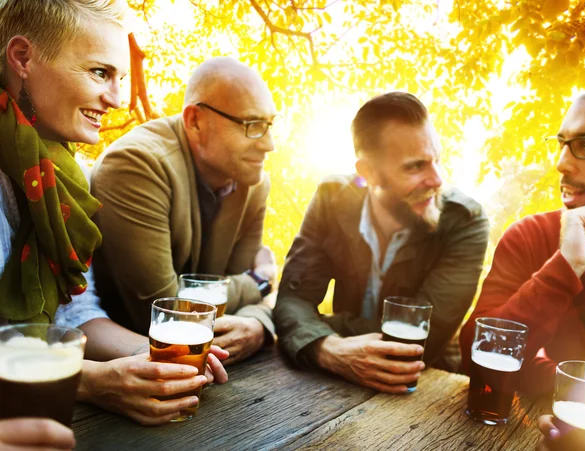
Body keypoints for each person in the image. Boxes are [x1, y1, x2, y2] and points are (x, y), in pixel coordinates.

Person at [0, 0, 227, 428]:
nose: (118, 100)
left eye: (121, 77)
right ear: (22, 58)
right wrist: (88, 382)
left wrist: (150, 354)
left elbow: (74, 313)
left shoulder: (68, 180)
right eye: (99, 73)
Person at [274, 92, 490, 393]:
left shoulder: (465, 221)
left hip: (427, 384)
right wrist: (326, 348)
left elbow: (419, 338)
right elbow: (294, 299)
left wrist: (313, 328)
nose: (437, 179)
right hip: (335, 383)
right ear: (368, 172)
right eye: (415, 167)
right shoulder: (331, 199)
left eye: (437, 160)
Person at [91, 57, 279, 365]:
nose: (269, 145)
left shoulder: (254, 182)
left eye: (269, 125)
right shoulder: (136, 164)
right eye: (252, 125)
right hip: (131, 369)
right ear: (194, 121)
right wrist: (260, 279)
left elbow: (252, 305)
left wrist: (258, 324)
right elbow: (165, 315)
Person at [459, 89, 585, 398]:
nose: (561, 163)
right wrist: (564, 269)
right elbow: (476, 358)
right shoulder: (529, 235)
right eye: (563, 144)